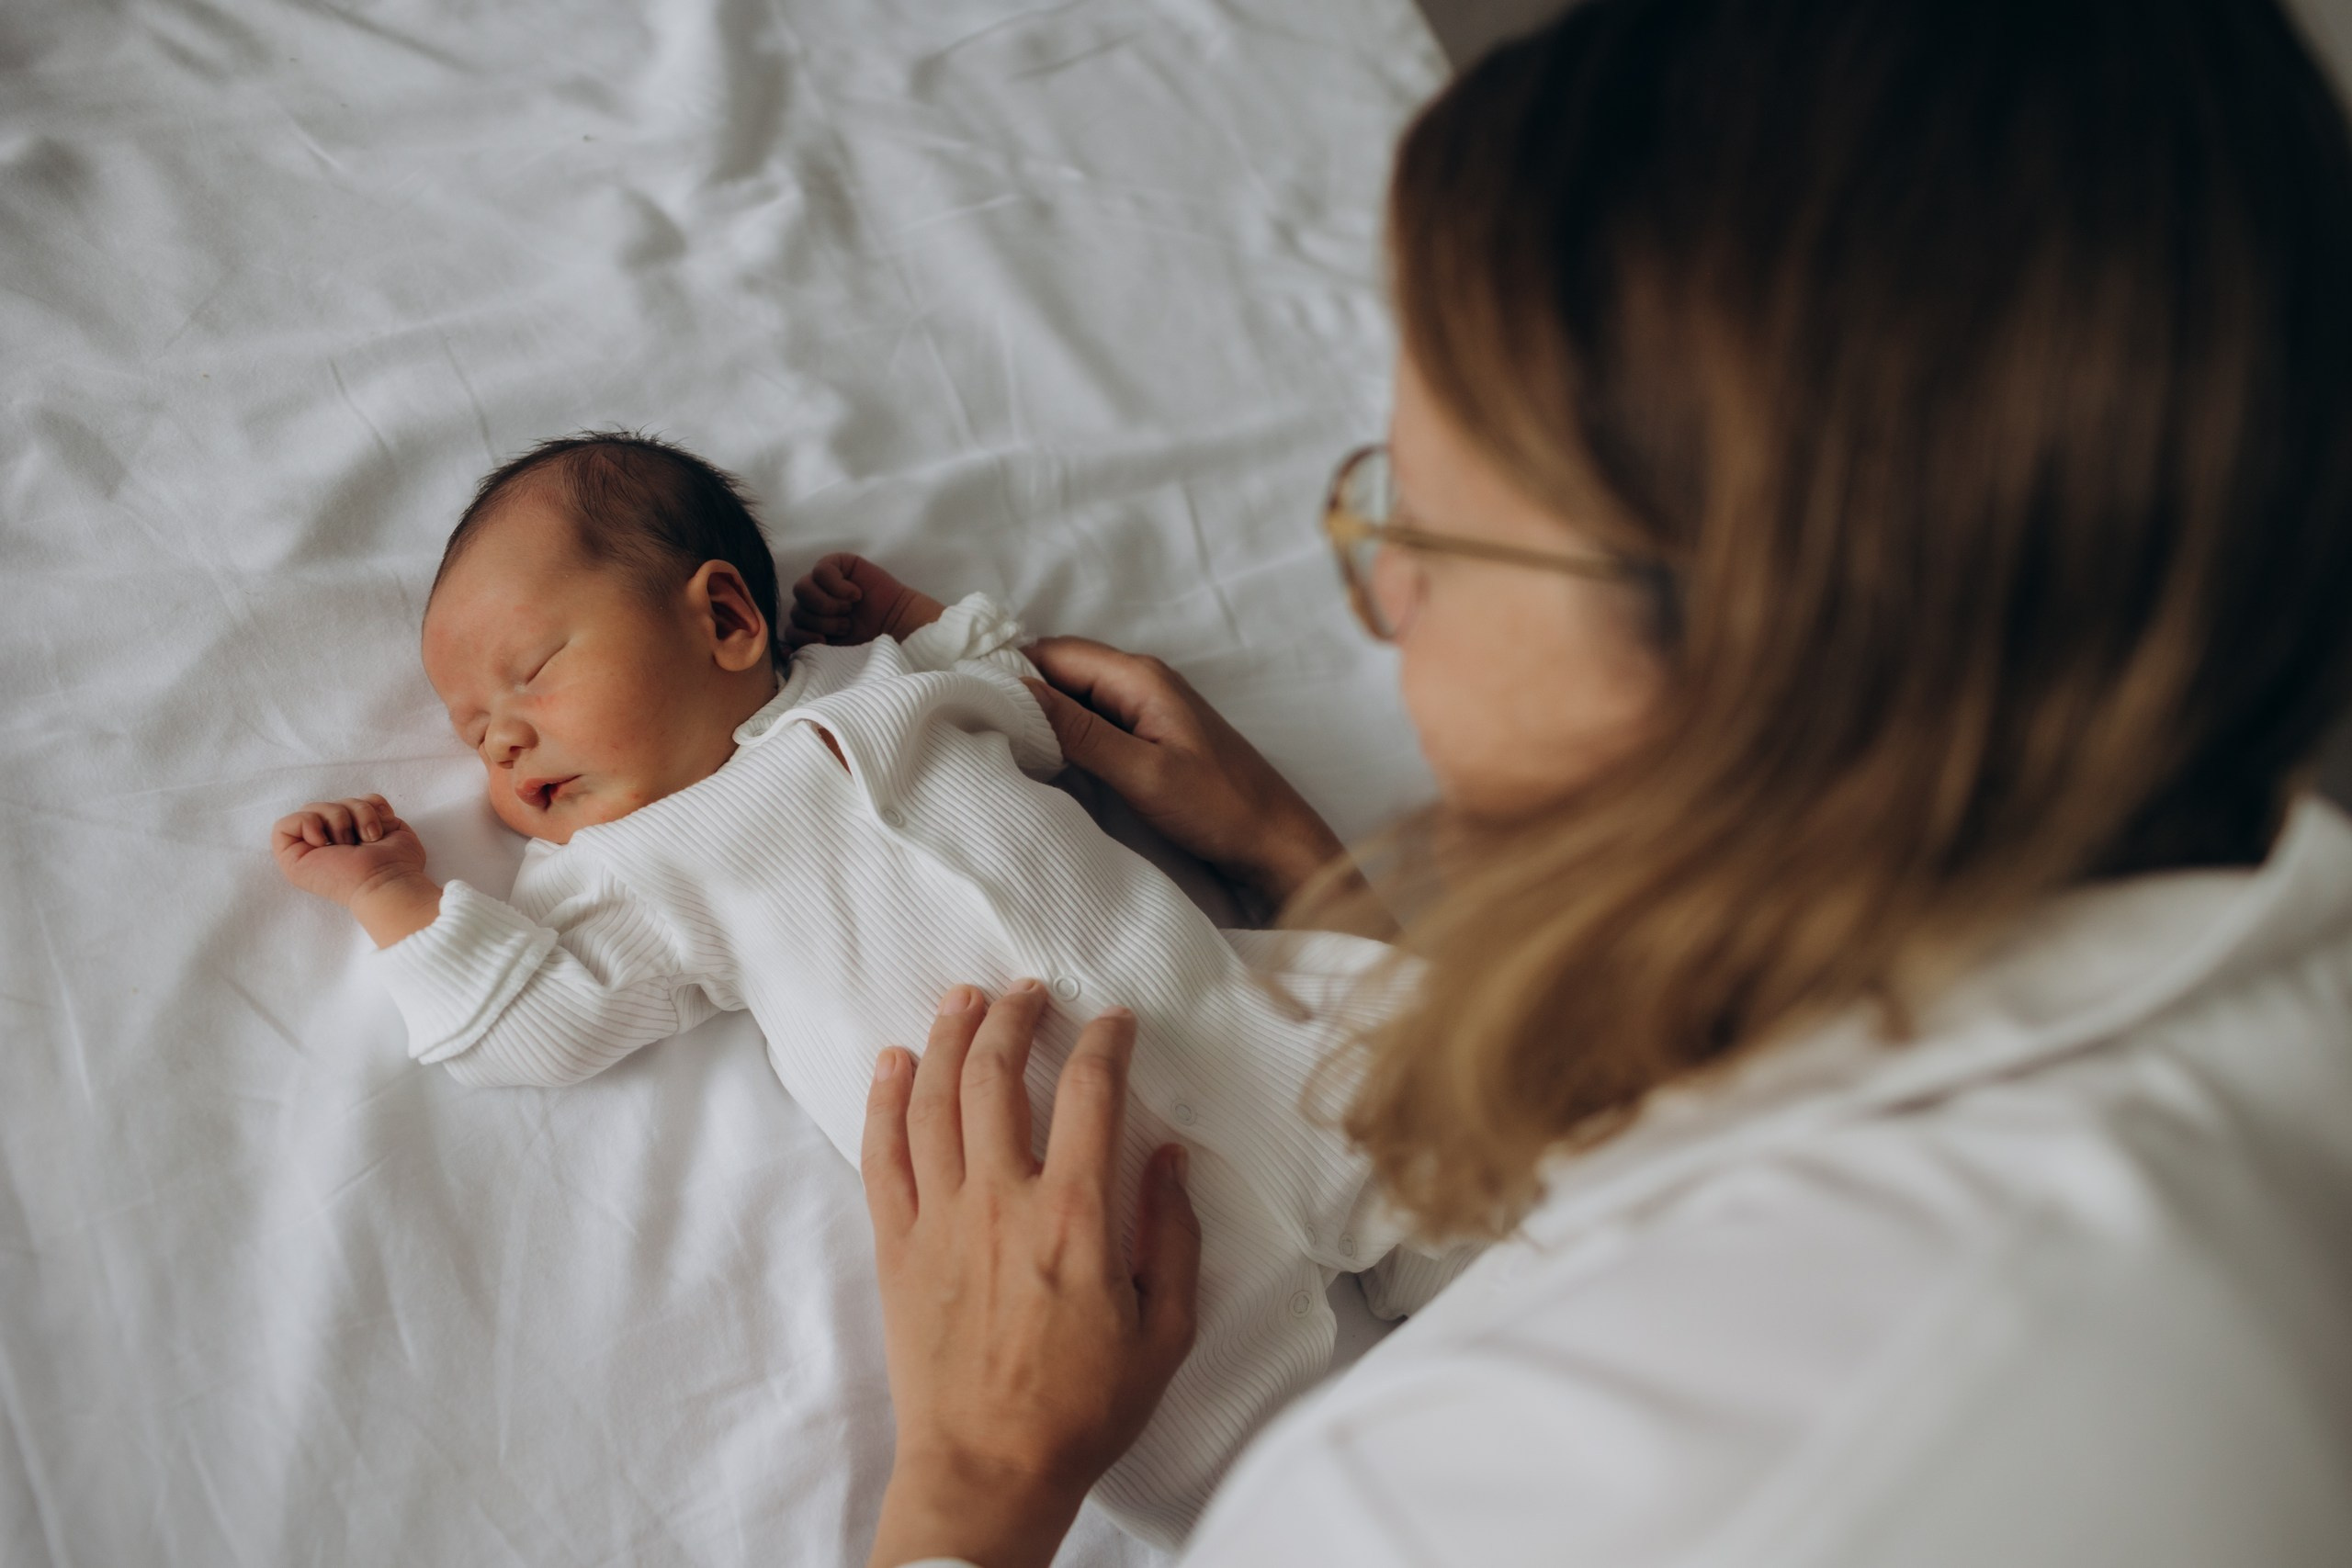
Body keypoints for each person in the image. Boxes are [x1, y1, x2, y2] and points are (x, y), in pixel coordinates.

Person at [855, 0, 2352, 1563]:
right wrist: (1318, 884)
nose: (1385, 589)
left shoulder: (1481, 1501)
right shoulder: (2237, 938)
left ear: (1754, 657)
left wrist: (972, 1482)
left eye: (1422, 529)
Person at [267, 433, 1464, 1546]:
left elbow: (1004, 672)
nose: (504, 744)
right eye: (474, 733)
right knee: (1271, 1493)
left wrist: (908, 615)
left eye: (527, 675)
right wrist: (395, 899)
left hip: (1255, 1036)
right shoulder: (632, 867)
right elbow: (532, 1018)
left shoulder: (887, 684)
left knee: (1467, 1136)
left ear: (728, 617)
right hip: (1090, 1232)